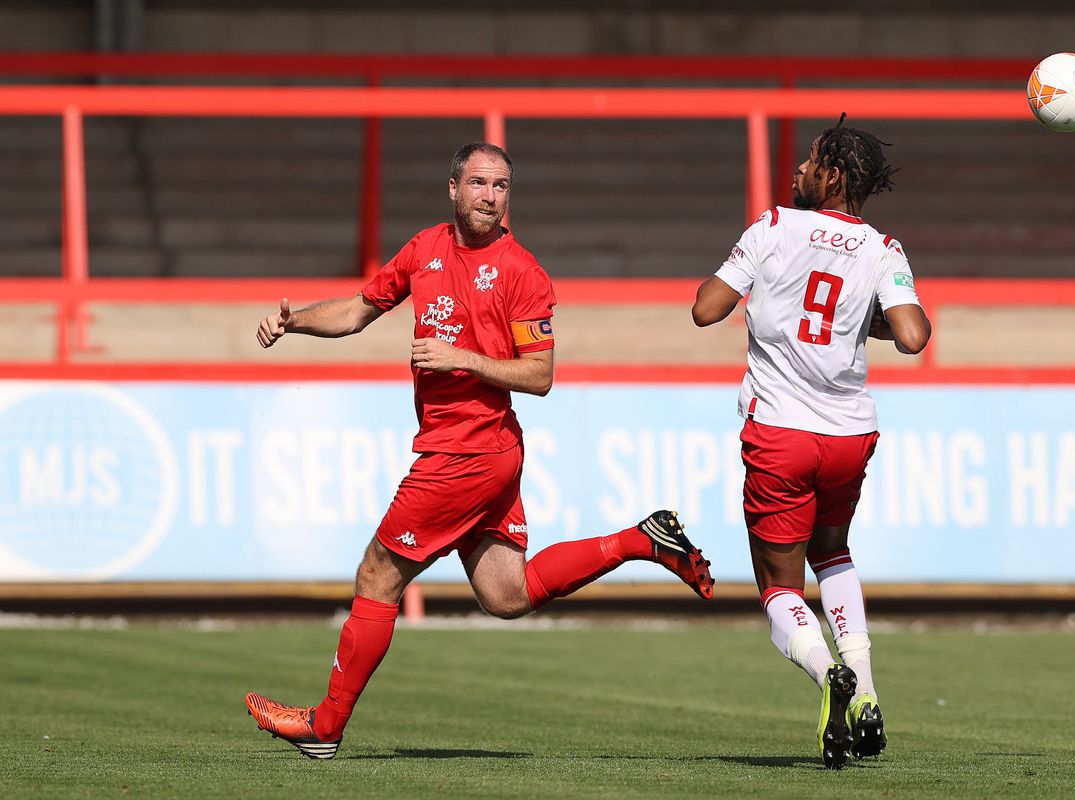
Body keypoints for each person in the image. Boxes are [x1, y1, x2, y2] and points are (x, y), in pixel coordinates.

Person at [245, 142, 714, 759]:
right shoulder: (424, 249)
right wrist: (295, 321)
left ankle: (326, 728)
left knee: (377, 573)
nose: (491, 196)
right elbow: (360, 310)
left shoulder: (523, 272)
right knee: (506, 594)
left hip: (466, 455)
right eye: (479, 183)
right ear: (453, 189)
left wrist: (461, 359)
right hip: (473, 453)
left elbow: (540, 374)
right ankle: (639, 540)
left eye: (501, 186)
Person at [690, 116, 930, 770]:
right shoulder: (884, 249)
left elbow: (706, 308)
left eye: (810, 160)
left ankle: (830, 676)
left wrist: (757, 287)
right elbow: (911, 335)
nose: (797, 168)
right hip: (850, 434)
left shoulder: (771, 227)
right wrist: (860, 320)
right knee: (835, 553)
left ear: (834, 175)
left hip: (780, 434)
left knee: (779, 588)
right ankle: (869, 692)